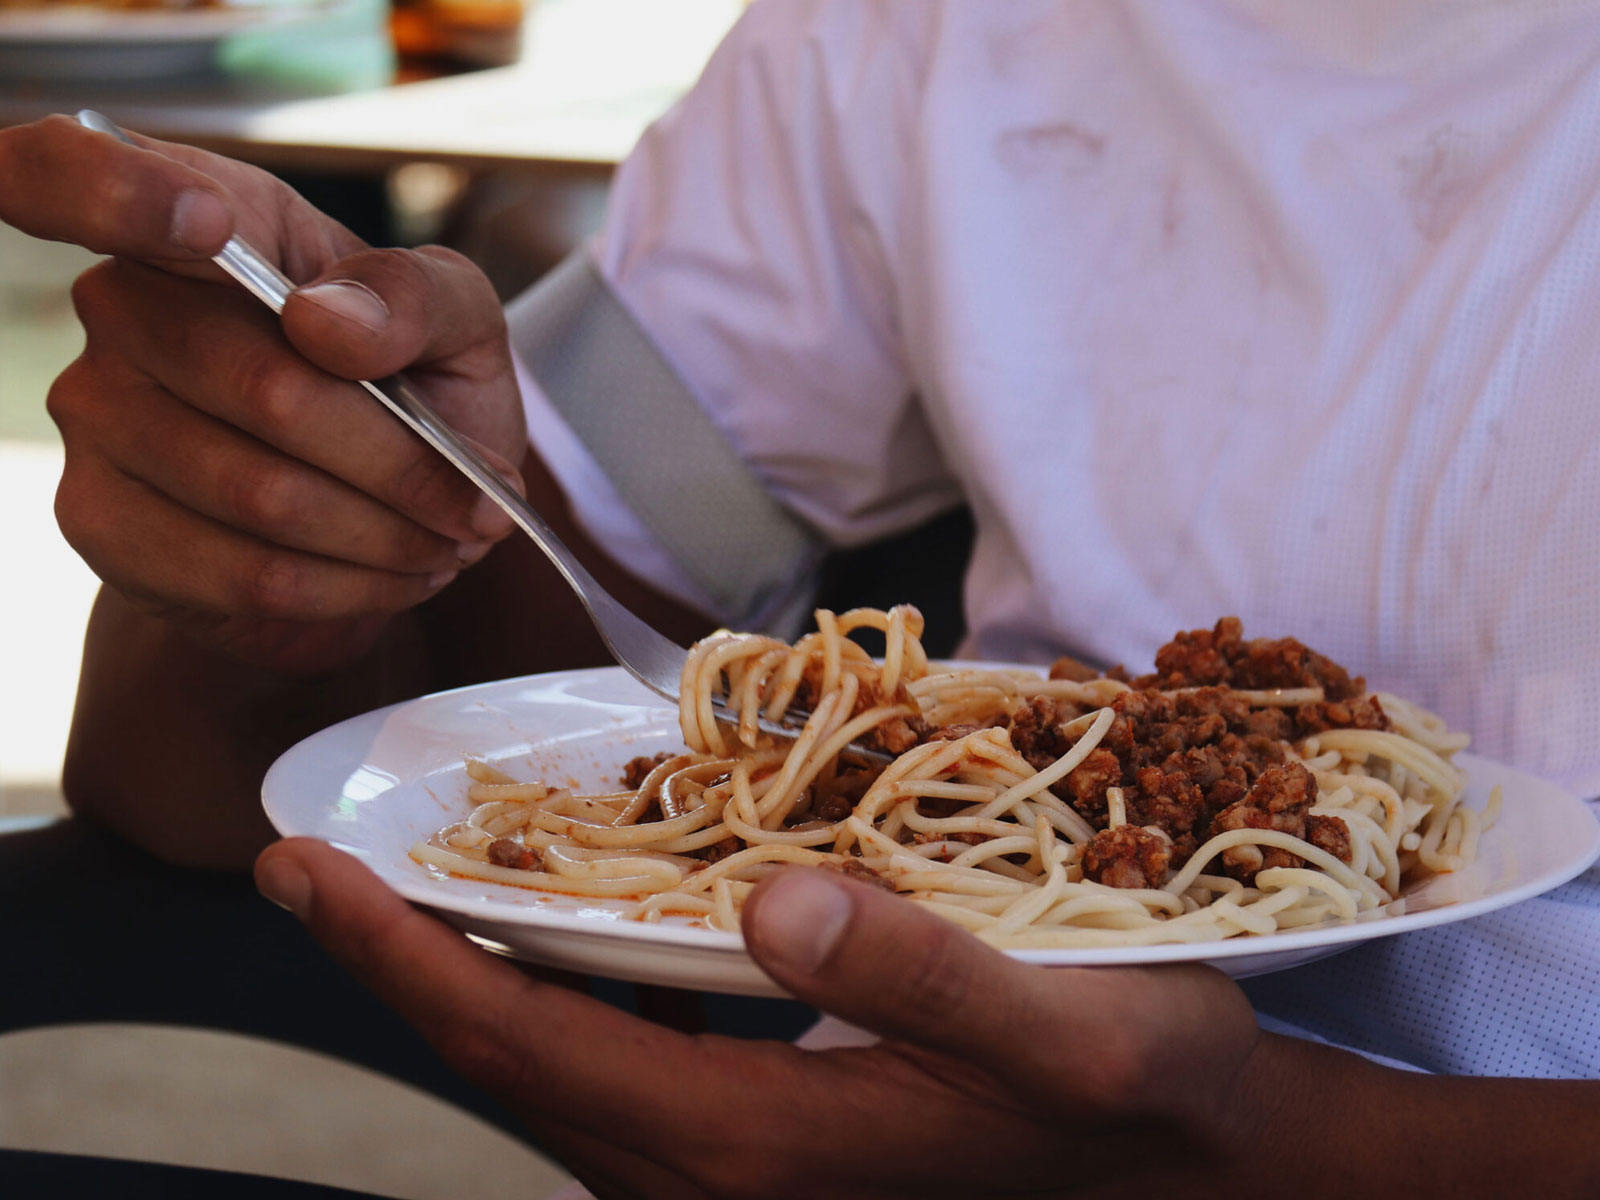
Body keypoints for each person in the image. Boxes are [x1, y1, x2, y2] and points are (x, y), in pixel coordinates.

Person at [3, 0, 1600, 1194]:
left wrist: (1283, 1149)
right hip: (886, 1051)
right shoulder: (924, 33)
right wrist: (299, 520)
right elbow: (557, 575)